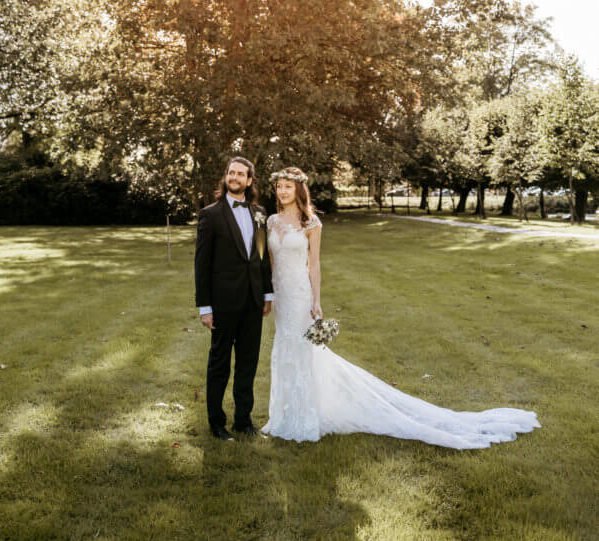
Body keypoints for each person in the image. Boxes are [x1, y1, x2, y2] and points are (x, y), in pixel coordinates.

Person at [261, 167, 541, 448]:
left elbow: (314, 265)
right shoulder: (271, 221)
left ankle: (304, 417)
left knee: (303, 350)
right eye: (279, 186)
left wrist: (317, 300)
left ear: (299, 189)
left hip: (300, 294)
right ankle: (284, 415)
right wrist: (268, 295)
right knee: (285, 348)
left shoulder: (311, 223)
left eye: (288, 186)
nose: (282, 191)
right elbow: (269, 262)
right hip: (281, 296)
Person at [194, 156, 274, 440]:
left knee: (248, 363)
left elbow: (263, 257)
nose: (235, 177)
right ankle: (217, 423)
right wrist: (205, 307)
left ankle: (244, 420)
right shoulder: (210, 214)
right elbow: (201, 264)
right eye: (231, 173)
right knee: (219, 364)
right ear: (225, 177)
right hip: (223, 303)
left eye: (241, 174)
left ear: (249, 180)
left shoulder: (260, 213)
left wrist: (267, 294)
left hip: (253, 301)